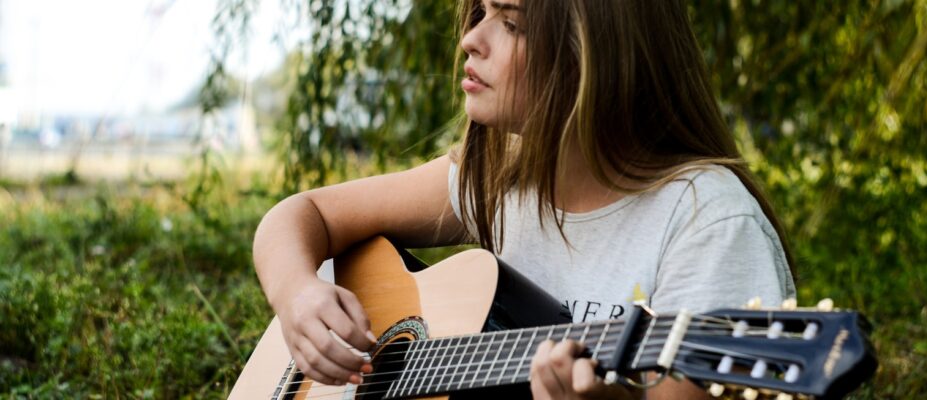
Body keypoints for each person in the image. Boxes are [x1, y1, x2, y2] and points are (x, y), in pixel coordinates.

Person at [252, 0, 797, 398]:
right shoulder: (501, 175)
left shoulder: (709, 224)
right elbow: (303, 214)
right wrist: (298, 294)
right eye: (481, 11)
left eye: (510, 22)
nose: (471, 38)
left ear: (595, 58)